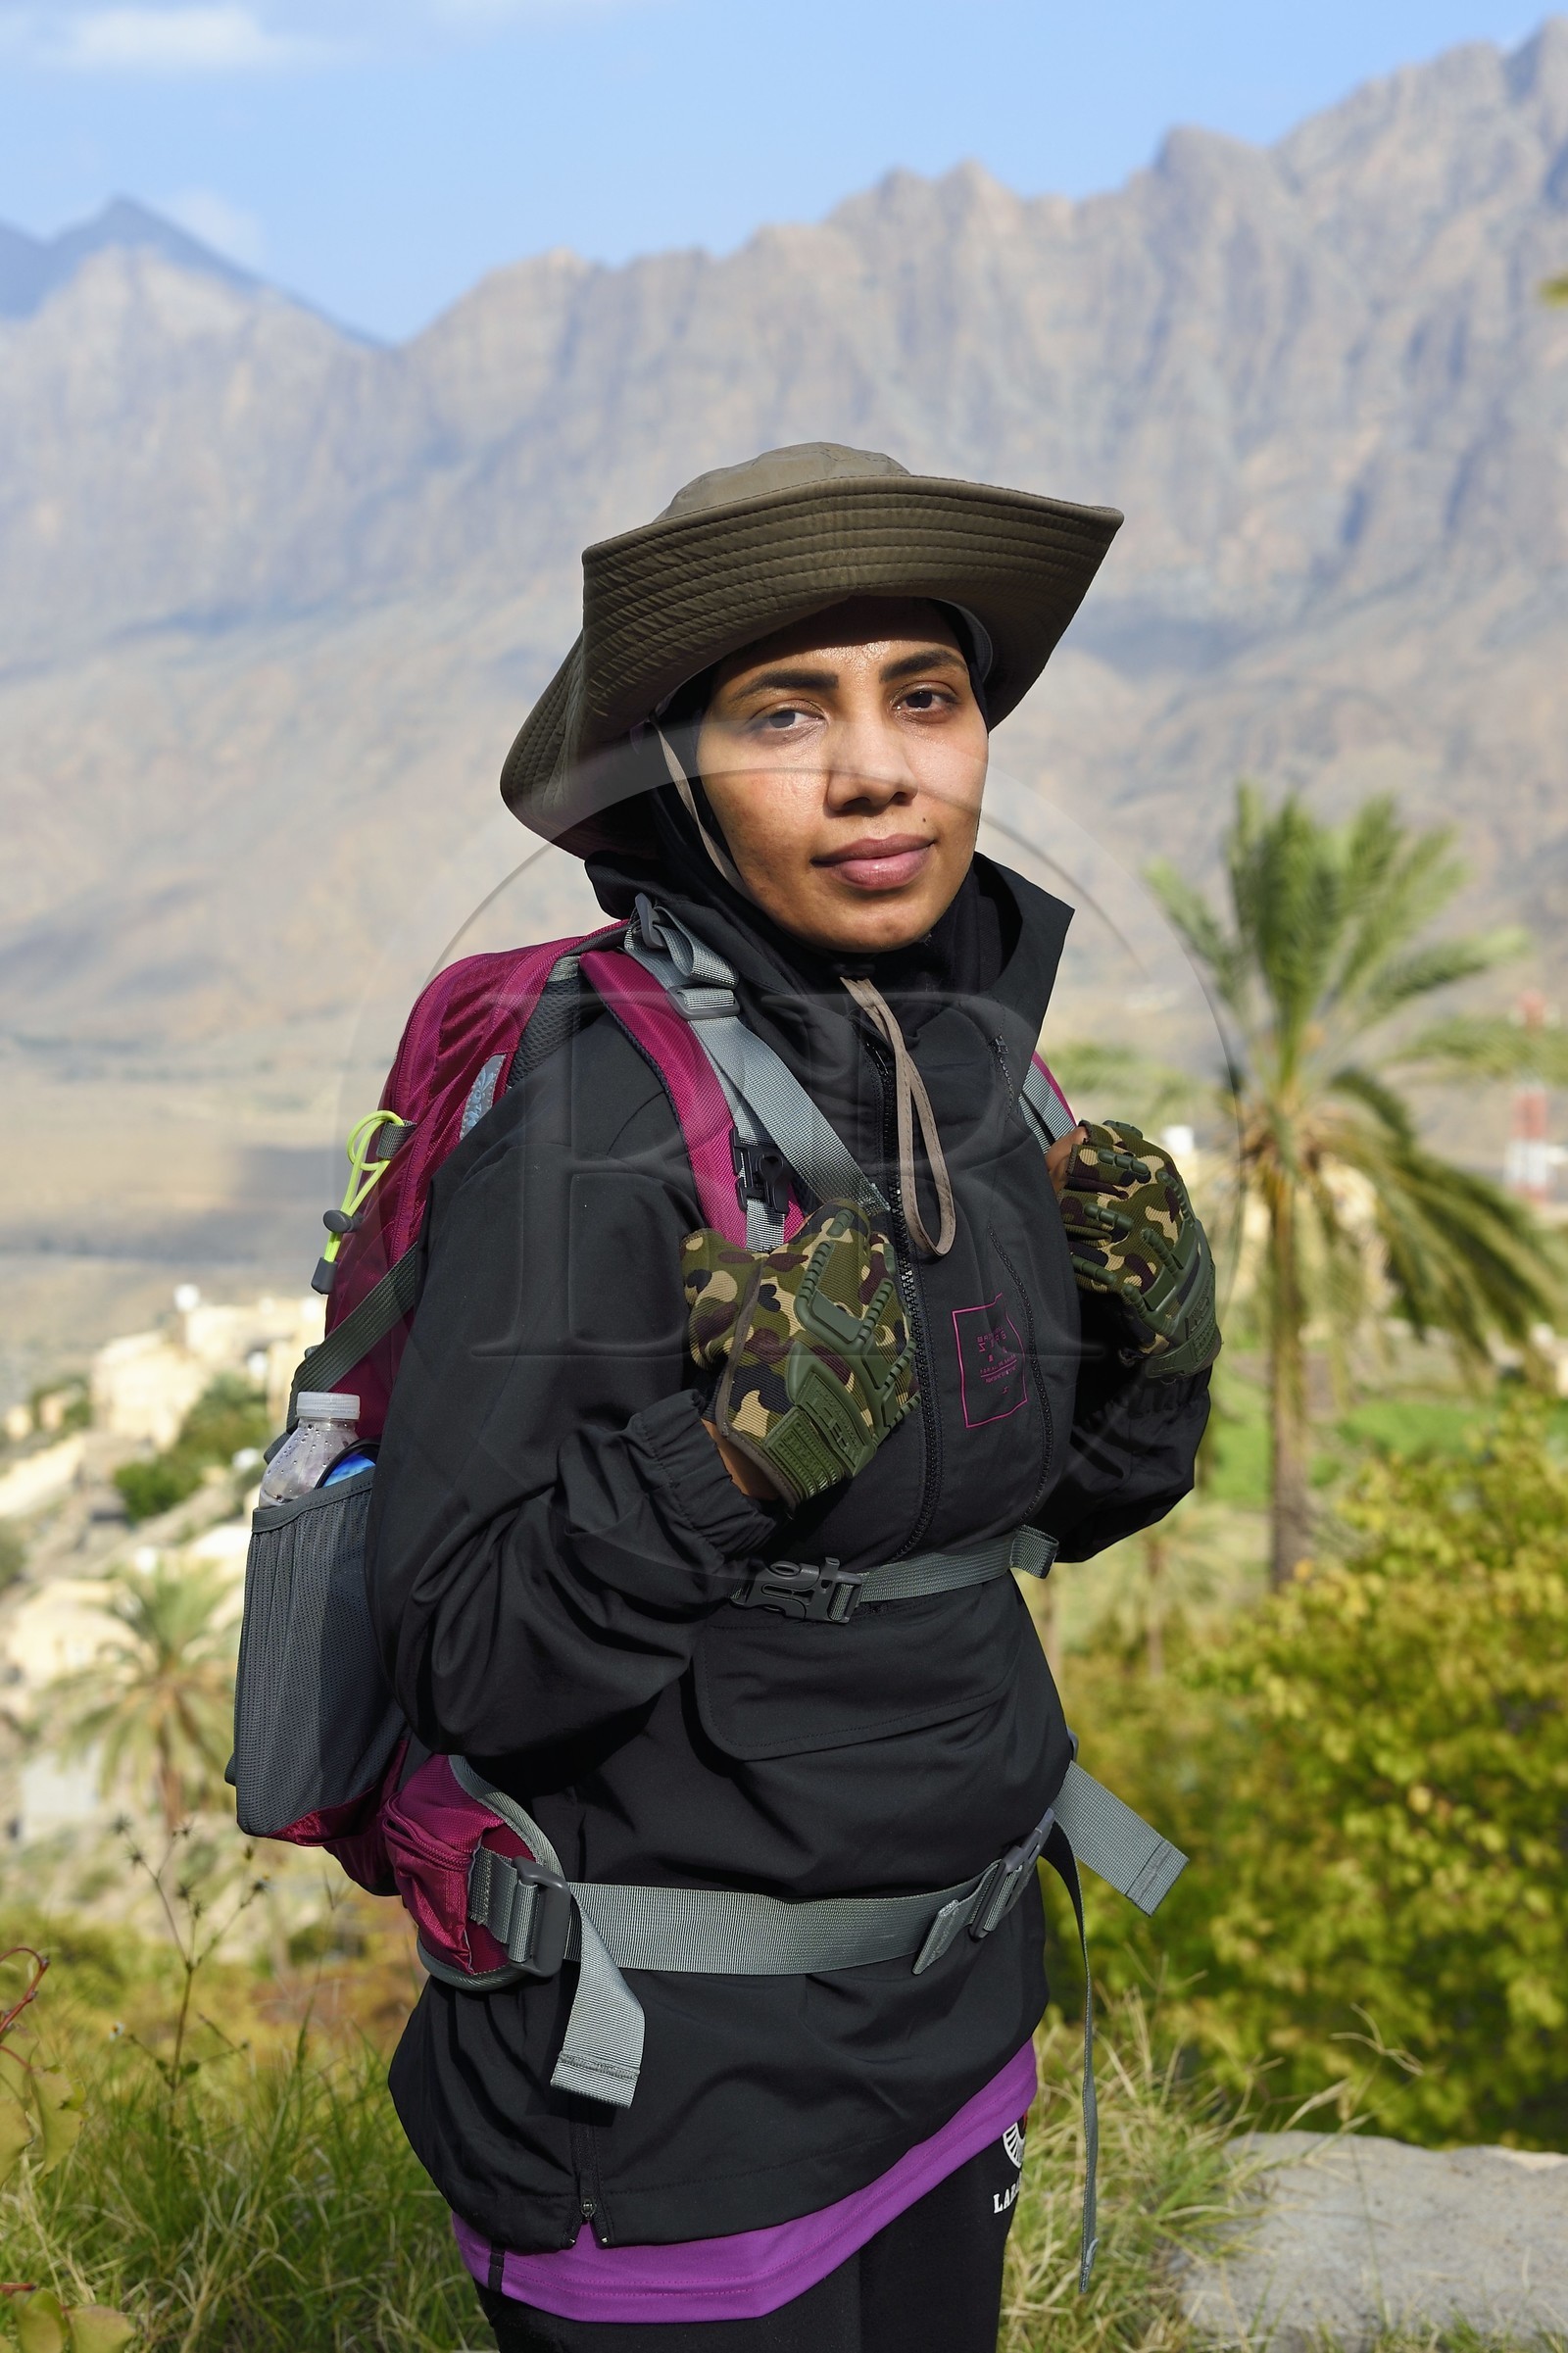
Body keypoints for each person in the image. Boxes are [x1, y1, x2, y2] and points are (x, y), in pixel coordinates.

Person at [366, 442, 1216, 2352]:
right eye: (786, 709)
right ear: (673, 760)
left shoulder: (975, 1065)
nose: (873, 764)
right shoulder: (596, 1118)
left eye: (924, 692)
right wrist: (721, 1464)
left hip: (948, 2031)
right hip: (669, 2104)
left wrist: (1150, 1354)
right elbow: (461, 1659)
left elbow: (1022, 1509)